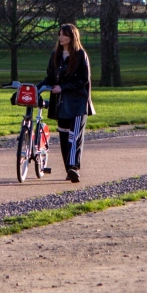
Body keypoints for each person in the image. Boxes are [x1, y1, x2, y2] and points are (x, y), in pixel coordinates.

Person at [45, 23, 94, 182]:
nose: (61, 37)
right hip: (61, 104)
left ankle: (74, 167)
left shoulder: (80, 55)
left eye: (64, 35)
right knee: (64, 136)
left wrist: (63, 87)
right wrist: (36, 88)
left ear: (72, 37)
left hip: (78, 103)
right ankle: (69, 170)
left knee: (74, 137)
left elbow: (83, 80)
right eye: (60, 34)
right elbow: (50, 78)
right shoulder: (55, 55)